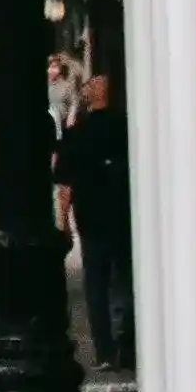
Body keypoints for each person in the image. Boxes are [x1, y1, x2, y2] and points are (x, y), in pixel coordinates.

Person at [58, 55, 132, 368]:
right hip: (123, 216)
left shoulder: (78, 134)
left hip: (91, 218)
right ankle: (128, 344)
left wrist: (62, 221)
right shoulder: (126, 128)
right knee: (126, 281)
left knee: (96, 286)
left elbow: (66, 183)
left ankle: (105, 351)